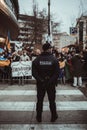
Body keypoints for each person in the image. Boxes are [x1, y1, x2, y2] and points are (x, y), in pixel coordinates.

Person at [32, 42, 60, 122]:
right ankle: (54, 116)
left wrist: (41, 80)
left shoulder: (37, 60)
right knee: (52, 101)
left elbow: (34, 73)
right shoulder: (54, 59)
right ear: (48, 49)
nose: (51, 49)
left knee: (40, 100)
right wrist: (50, 81)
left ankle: (39, 116)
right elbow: (57, 73)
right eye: (51, 48)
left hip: (41, 84)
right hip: (51, 84)